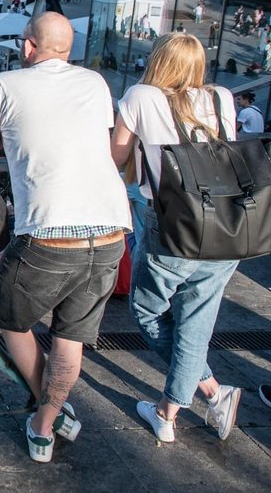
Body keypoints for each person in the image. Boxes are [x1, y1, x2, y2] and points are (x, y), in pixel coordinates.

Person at [0, 11, 131, 464]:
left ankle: (48, 414)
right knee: (69, 337)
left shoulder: (6, 83)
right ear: (69, 49)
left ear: (27, 47)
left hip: (51, 232)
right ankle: (47, 419)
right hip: (111, 229)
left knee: (6, 321)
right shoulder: (95, 84)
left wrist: (3, 139)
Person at [109, 33, 242, 443]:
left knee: (148, 311)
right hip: (228, 228)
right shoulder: (222, 97)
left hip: (173, 225)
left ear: (158, 60)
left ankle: (207, 391)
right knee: (196, 322)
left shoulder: (141, 96)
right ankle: (174, 410)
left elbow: (116, 157)